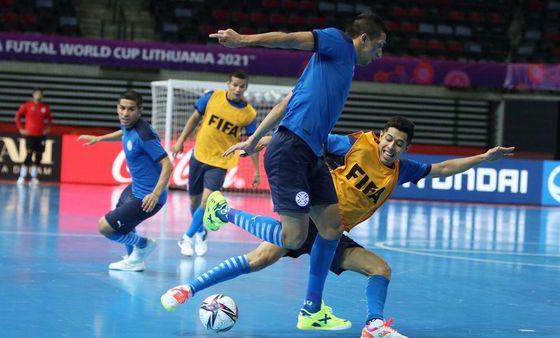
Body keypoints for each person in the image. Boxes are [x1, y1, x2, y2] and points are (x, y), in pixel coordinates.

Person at [161, 116, 515, 337]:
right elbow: (305, 140)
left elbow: (443, 169)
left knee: (380, 269)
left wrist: (483, 158)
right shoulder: (355, 144)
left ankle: (373, 325)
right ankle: (194, 276)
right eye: (389, 138)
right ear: (381, 136)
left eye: (400, 143)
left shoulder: (401, 171)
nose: (392, 146)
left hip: (335, 233)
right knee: (259, 259)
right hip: (317, 215)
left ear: (406, 148)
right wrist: (257, 143)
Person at [201, 12, 388, 330]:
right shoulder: (338, 43)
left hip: (312, 154)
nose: (380, 54)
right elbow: (291, 38)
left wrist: (254, 139)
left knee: (330, 228)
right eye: (380, 46)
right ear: (363, 39)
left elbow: (284, 104)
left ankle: (311, 310)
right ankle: (224, 211)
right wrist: (243, 40)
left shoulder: (331, 69)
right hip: (292, 150)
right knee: (294, 236)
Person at [78, 90, 173, 272]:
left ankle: (143, 245)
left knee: (105, 227)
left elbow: (168, 164)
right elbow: (122, 133)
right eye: (122, 108)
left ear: (140, 111)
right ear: (117, 108)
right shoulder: (127, 124)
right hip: (135, 188)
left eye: (131, 109)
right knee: (124, 222)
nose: (125, 113)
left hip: (149, 197)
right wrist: (99, 139)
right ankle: (134, 261)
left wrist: (155, 193)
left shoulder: (144, 135)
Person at [171, 70, 261, 257]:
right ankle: (201, 232)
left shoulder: (249, 113)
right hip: (199, 155)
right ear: (228, 84)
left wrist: (256, 171)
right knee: (194, 200)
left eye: (241, 86)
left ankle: (186, 237)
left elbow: (252, 142)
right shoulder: (211, 97)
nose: (237, 89)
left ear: (246, 88)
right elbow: (194, 119)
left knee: (206, 200)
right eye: (234, 85)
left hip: (221, 161)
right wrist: (180, 141)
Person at [15, 87, 52, 186]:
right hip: (30, 135)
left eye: (40, 94)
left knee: (39, 156)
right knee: (29, 154)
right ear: (33, 94)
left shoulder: (45, 107)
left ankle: (34, 177)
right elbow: (18, 116)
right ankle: (22, 176)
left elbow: (49, 119)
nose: (38, 96)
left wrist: (47, 128)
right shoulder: (27, 105)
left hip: (41, 135)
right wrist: (21, 128)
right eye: (37, 94)